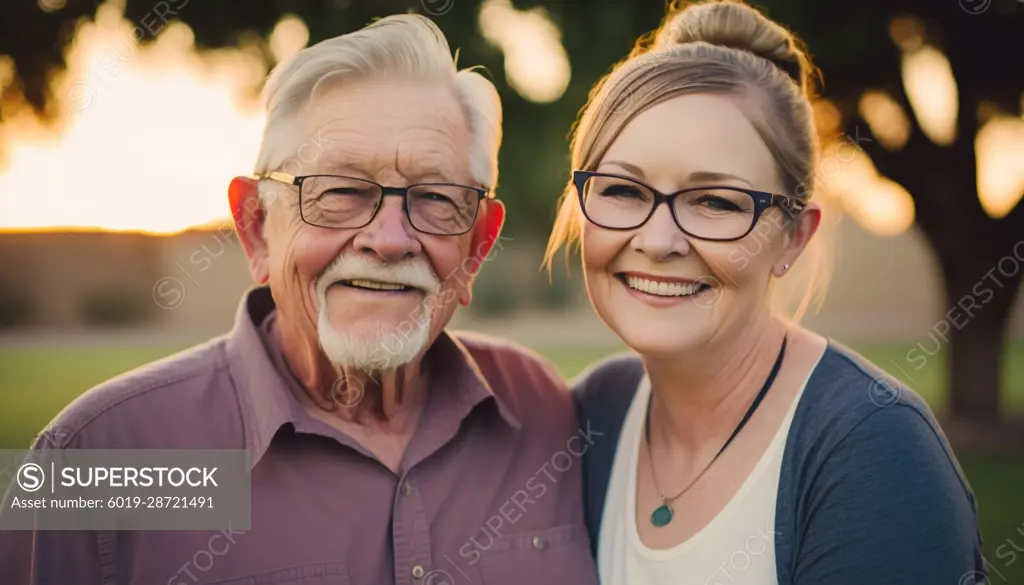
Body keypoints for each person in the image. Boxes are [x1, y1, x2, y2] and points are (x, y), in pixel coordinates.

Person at [0, 15, 599, 585]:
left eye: (437, 199)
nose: (390, 240)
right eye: (339, 191)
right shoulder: (95, 457)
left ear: (475, 248)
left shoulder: (541, 413)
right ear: (257, 227)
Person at [544, 1, 987, 583]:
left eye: (717, 202)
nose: (657, 240)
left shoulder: (872, 451)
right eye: (623, 190)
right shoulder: (591, 417)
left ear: (793, 238)